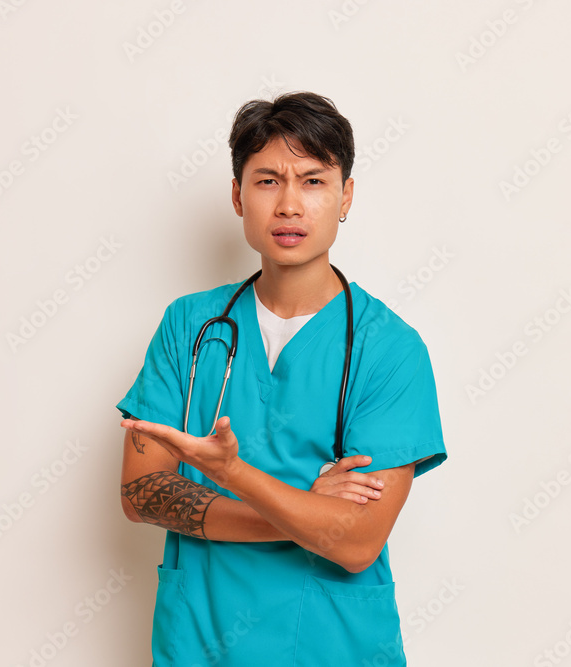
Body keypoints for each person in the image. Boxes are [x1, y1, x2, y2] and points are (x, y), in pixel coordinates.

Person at [117, 91, 446, 666]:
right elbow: (141, 493)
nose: (290, 204)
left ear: (346, 196)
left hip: (331, 646)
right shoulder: (190, 327)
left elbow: (356, 541)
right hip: (200, 641)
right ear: (238, 196)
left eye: (313, 181)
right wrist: (307, 511)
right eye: (268, 181)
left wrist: (232, 475)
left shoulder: (389, 350)